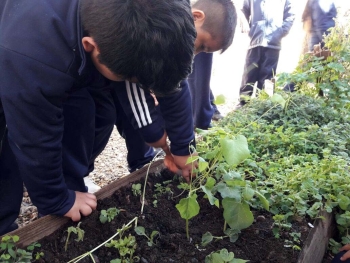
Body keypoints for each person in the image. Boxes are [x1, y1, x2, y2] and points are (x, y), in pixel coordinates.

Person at [0, 0, 196, 235]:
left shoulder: (159, 15)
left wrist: (184, 146)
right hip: (15, 53)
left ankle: (69, 183)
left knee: (96, 112)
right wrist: (56, 198)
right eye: (133, 80)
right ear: (90, 45)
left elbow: (170, 78)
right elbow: (32, 134)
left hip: (60, 52)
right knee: (8, 150)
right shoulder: (35, 55)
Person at [112, 0, 238, 172]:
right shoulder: (148, 30)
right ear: (196, 17)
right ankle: (72, 183)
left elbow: (177, 92)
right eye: (201, 46)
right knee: (98, 118)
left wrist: (183, 148)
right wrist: (154, 133)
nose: (194, 55)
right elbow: (131, 86)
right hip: (89, 74)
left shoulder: (175, 48)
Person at [236, 0, 295, 107]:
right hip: (255, 40)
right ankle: (243, 103)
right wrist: (245, 24)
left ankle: (262, 104)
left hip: (273, 43)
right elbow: (243, 10)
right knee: (249, 73)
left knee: (267, 76)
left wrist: (281, 31)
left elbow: (290, 15)